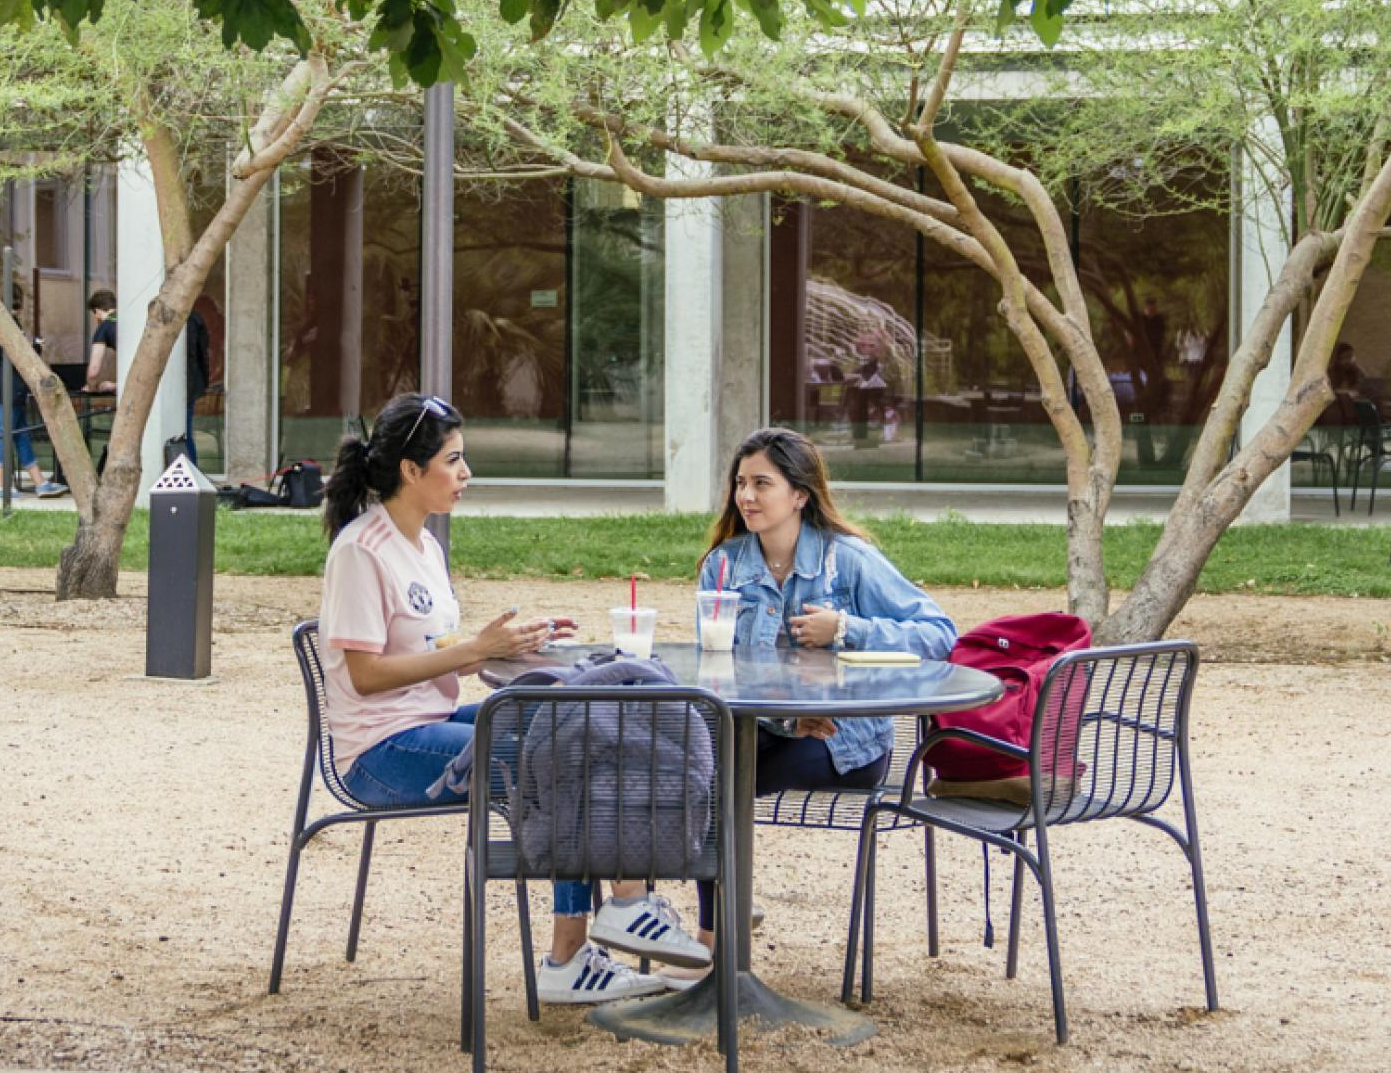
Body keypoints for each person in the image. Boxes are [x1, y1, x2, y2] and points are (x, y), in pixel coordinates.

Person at [316, 393, 703, 1004]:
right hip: (379, 751)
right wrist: (473, 647)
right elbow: (364, 676)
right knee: (553, 759)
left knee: (575, 726)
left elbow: (439, 649)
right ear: (411, 471)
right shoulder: (361, 553)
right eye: (454, 460)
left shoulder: (425, 548)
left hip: (430, 719)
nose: (466, 474)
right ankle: (582, 944)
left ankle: (607, 923)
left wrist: (514, 643)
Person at [684, 428, 960, 929]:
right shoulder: (723, 568)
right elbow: (714, 675)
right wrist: (784, 720)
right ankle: (723, 918)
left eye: (761, 484)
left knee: (712, 782)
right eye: (740, 483)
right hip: (761, 727)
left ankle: (714, 938)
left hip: (845, 741)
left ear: (799, 495)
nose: (745, 496)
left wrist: (847, 628)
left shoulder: (847, 560)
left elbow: (938, 634)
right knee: (701, 768)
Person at [0, 336, 63, 500]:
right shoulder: (3, 319)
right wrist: (35, 345)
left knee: (21, 435)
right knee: (2, 434)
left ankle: (40, 483)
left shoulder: (2, 321)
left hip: (11, 387)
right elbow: (16, 353)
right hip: (8, 387)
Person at [82, 289, 119, 396]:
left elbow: (93, 372)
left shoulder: (104, 327)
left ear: (97, 311)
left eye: (94, 313)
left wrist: (91, 387)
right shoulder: (131, 318)